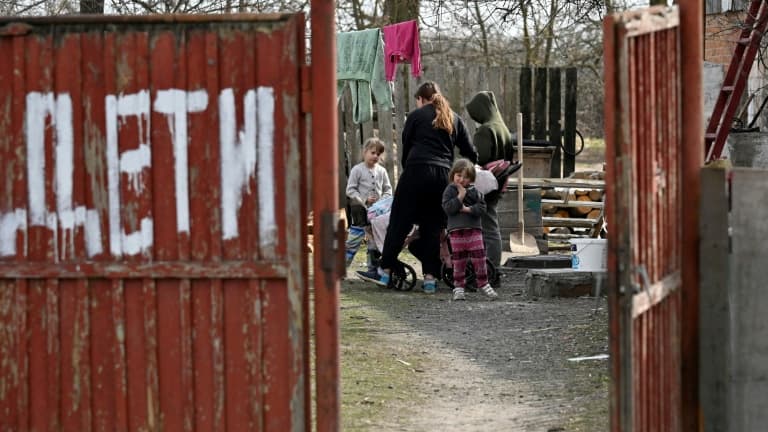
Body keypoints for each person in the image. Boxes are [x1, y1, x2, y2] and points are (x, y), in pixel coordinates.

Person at [358, 81, 478, 293]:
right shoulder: (455, 119)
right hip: (442, 176)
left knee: (399, 222)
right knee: (432, 227)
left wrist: (410, 172)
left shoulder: (416, 116)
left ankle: (385, 271)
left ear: (422, 99)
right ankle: (430, 279)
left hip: (416, 171)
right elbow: (470, 152)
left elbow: (406, 149)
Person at [465, 91, 519, 286]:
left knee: (487, 226)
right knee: (490, 224)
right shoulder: (502, 128)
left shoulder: (486, 130)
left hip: (486, 183)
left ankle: (492, 269)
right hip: (498, 182)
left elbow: (479, 158)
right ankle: (489, 267)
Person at [442, 159, 499, 301]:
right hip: (456, 233)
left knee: (479, 258)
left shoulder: (475, 192)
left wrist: (468, 209)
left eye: (465, 177)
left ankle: (483, 283)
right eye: (458, 175)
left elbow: (482, 208)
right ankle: (459, 287)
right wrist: (460, 196)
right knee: (459, 261)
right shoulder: (450, 191)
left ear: (471, 179)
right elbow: (448, 208)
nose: (461, 179)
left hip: (474, 231)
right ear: (453, 175)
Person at [345, 138, 393, 274]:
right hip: (359, 211)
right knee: (353, 240)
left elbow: (388, 190)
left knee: (374, 239)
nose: (375, 156)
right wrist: (364, 199)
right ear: (364, 152)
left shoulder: (382, 171)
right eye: (372, 152)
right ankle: (341, 268)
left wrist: (382, 202)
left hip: (377, 213)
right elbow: (350, 190)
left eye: (378, 154)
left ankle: (372, 270)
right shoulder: (357, 170)